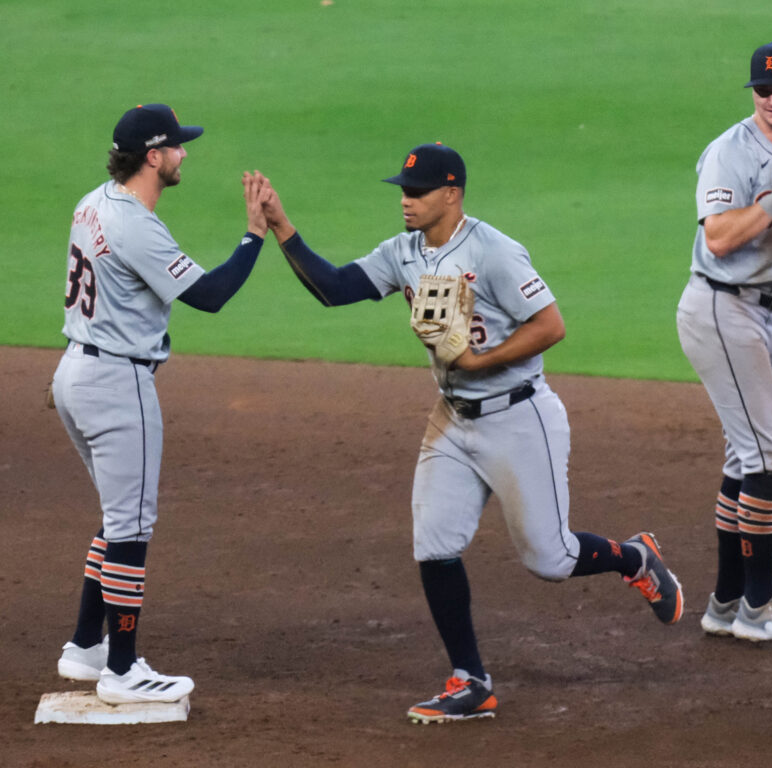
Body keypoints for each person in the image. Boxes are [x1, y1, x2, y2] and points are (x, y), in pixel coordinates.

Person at [248, 142, 684, 723]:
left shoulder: (493, 250)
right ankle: (470, 679)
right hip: (452, 419)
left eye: (418, 192)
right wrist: (282, 227)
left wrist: (481, 362)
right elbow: (334, 288)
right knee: (434, 545)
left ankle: (634, 559)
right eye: (402, 191)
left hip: (519, 415)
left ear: (451, 194)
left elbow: (551, 325)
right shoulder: (401, 252)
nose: (406, 201)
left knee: (549, 559)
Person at [53, 103, 267, 703]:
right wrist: (253, 234)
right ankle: (122, 669)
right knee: (132, 526)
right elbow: (211, 295)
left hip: (75, 371)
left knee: (117, 517)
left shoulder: (94, 200)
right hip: (118, 384)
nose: (185, 153)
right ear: (154, 156)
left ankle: (85, 647)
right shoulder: (136, 226)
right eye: (177, 146)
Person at [675, 41, 772, 643]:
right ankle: (760, 609)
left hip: (764, 311)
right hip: (721, 307)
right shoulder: (728, 153)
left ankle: (725, 602)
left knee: (746, 459)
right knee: (769, 458)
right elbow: (718, 238)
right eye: (762, 90)